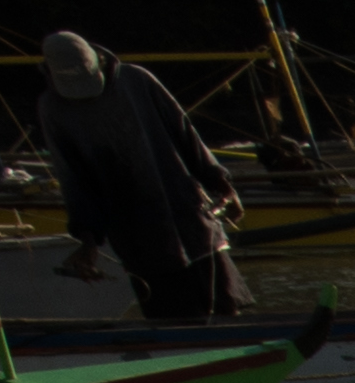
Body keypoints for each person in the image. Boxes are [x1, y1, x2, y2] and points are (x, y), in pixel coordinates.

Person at [38, 28, 248, 322]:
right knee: (169, 316)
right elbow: (74, 179)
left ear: (98, 59)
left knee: (225, 308)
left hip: (188, 212)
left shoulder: (137, 80)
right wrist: (88, 240)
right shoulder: (53, 109)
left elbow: (186, 135)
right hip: (136, 232)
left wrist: (223, 185)